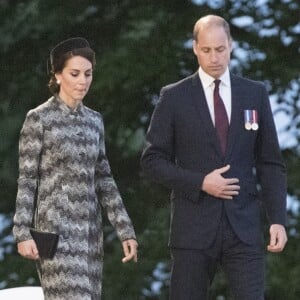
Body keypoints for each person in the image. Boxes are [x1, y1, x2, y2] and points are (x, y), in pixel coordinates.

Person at [140, 15, 287, 300]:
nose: (214, 57)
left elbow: (270, 163)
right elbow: (152, 161)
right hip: (192, 231)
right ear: (195, 48)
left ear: (230, 46)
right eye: (206, 50)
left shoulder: (254, 94)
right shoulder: (174, 97)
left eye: (220, 49)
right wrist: (200, 182)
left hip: (244, 229)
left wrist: (277, 220)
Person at [13, 37, 138, 300]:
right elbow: (27, 180)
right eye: (74, 73)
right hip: (55, 234)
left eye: (88, 74)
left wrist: (125, 229)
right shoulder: (39, 119)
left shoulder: (95, 121)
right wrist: (22, 232)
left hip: (90, 234)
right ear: (58, 75)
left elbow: (104, 180)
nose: (83, 81)